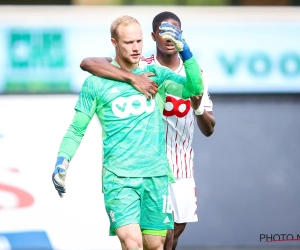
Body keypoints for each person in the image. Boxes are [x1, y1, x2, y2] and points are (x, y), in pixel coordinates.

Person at [52, 15, 204, 250]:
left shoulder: (157, 74)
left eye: (139, 41)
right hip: (119, 178)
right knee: (132, 242)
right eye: (128, 42)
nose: (135, 48)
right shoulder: (96, 84)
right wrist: (63, 161)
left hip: (156, 176)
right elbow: (76, 129)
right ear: (114, 43)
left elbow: (194, 89)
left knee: (155, 245)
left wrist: (187, 53)